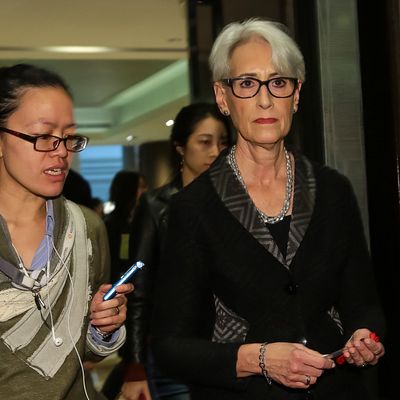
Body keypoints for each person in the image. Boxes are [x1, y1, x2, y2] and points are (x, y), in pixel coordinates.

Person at [150, 18, 386, 400]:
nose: (265, 99)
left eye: (278, 82)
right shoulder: (193, 209)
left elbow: (365, 304)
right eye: (247, 83)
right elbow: (170, 347)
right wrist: (257, 359)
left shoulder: (333, 190)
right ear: (223, 97)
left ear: (296, 94)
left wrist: (364, 336)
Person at [0, 63, 133, 400]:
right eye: (44, 136)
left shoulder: (86, 227)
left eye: (68, 137)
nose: (61, 151)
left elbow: (84, 354)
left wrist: (104, 327)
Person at [101, 102, 232, 400]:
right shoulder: (156, 205)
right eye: (204, 142)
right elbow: (139, 290)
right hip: (174, 352)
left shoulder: (236, 204)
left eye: (223, 142)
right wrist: (134, 365)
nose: (215, 151)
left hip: (229, 351)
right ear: (180, 147)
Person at [104, 170, 147, 283]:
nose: (145, 191)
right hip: (118, 282)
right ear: (129, 190)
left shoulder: (146, 220)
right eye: (141, 187)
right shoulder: (110, 224)